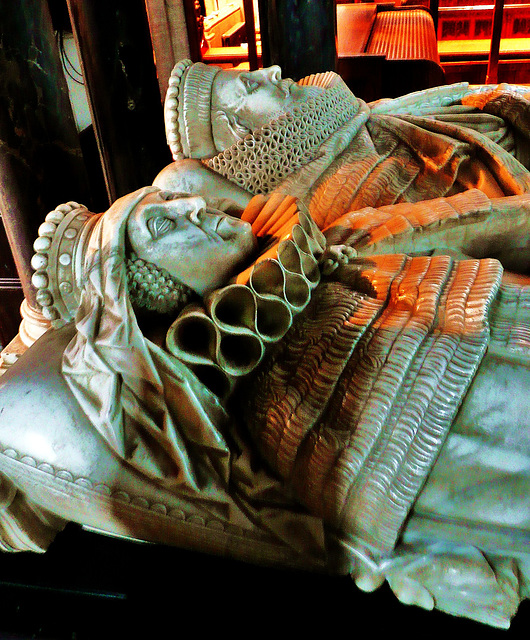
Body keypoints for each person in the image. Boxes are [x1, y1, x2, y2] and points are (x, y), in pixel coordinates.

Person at [0, 176, 525, 628]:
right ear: (149, 295)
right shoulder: (293, 407)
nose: (192, 207)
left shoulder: (330, 239)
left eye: (171, 200)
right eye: (163, 227)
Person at [160, 60, 530, 234]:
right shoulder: (341, 192)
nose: (270, 70)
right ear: (240, 133)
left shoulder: (356, 118)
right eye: (251, 86)